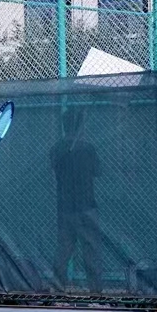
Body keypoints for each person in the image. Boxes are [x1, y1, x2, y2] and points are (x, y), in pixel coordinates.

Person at [50, 108, 102, 294]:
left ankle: (58, 288)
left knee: (64, 250)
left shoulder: (57, 149)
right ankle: (95, 291)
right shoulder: (86, 149)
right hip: (85, 206)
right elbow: (97, 171)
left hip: (66, 207)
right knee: (90, 250)